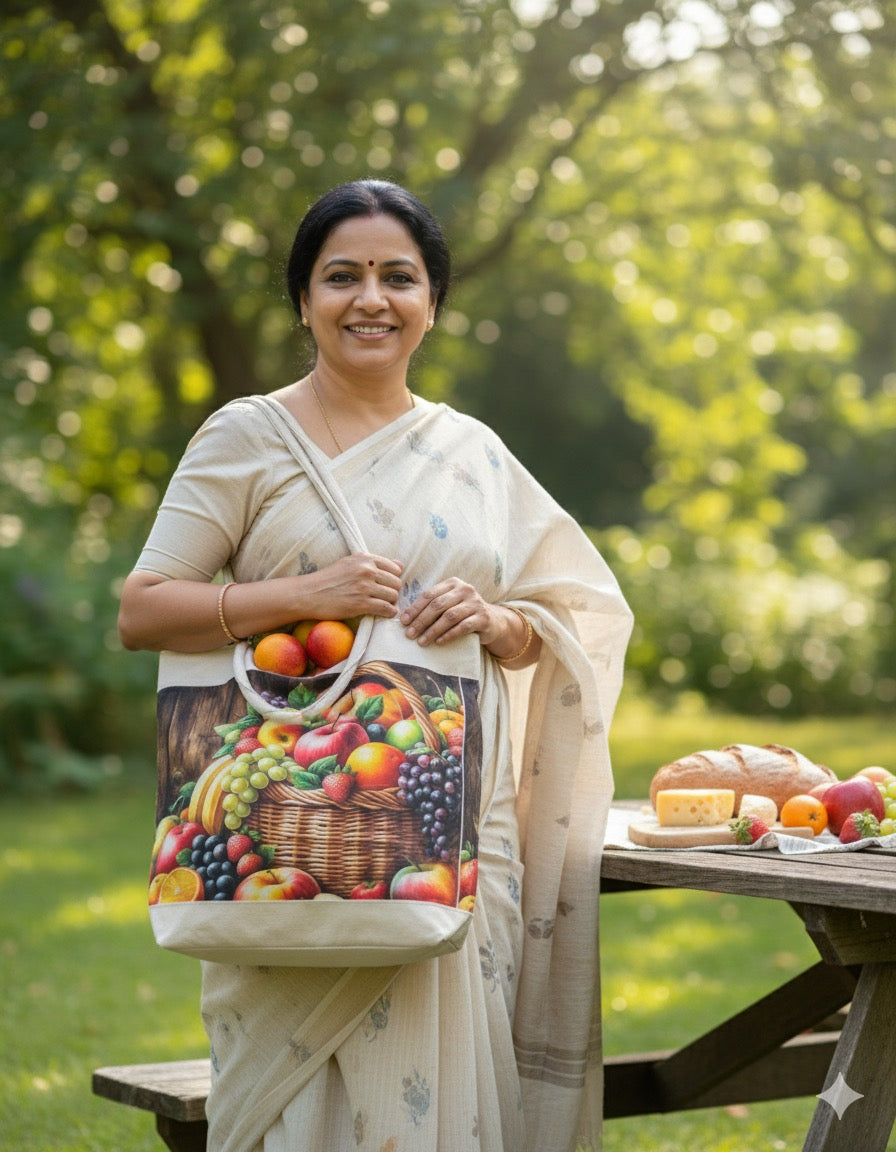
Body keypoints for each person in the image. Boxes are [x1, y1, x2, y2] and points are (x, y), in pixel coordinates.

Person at [118, 179, 633, 1152]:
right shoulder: (246, 437)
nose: (371, 298)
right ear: (303, 299)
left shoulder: (471, 453)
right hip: (283, 834)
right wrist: (306, 595)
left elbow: (567, 615)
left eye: (398, 277)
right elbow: (143, 609)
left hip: (442, 838)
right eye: (340, 275)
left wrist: (496, 618)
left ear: (431, 302)